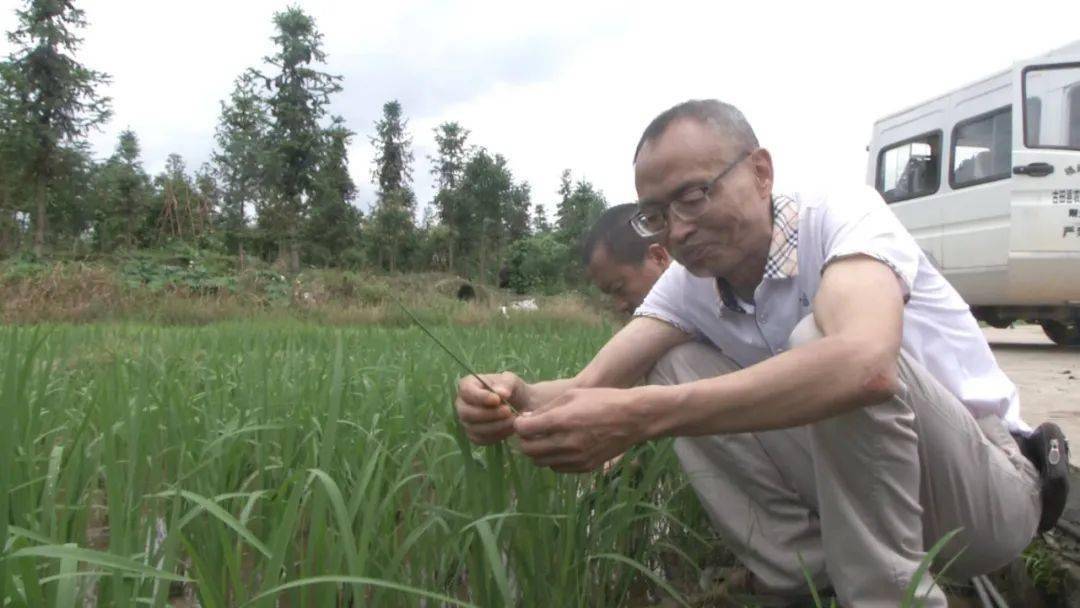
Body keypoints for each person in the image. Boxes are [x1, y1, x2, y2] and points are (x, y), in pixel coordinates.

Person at [454, 99, 1069, 607]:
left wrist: (647, 415)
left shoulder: (839, 215)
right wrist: (515, 399)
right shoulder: (687, 281)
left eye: (694, 197)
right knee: (670, 365)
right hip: (871, 506)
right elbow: (594, 386)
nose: (678, 229)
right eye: (656, 215)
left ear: (761, 172)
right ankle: (813, 584)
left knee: (818, 347)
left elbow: (864, 365)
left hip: (988, 493)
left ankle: (889, 599)